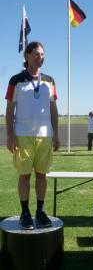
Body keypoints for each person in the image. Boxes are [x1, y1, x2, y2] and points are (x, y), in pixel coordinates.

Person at [5, 41, 60, 230]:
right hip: (22, 134)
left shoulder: (50, 81)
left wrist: (56, 133)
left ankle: (40, 211)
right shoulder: (15, 80)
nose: (40, 57)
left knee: (42, 175)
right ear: (27, 57)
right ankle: (25, 212)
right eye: (36, 54)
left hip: (45, 135)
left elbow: (53, 109)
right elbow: (10, 109)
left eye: (43, 54)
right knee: (24, 175)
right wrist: (10, 135)